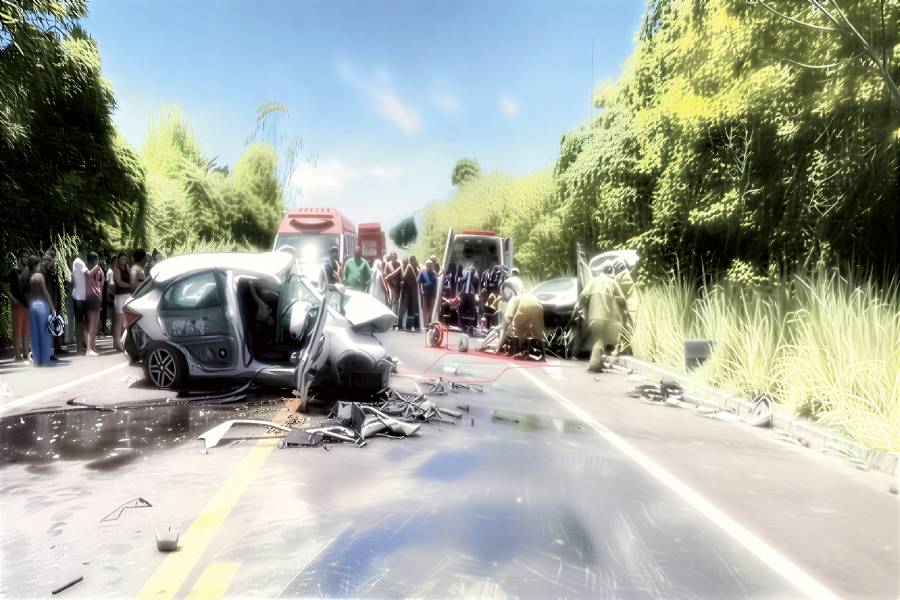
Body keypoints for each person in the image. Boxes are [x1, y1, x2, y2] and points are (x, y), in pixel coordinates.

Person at [579, 262, 628, 372]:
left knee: (599, 339)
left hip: (593, 317)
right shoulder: (613, 283)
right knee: (603, 340)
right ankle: (594, 363)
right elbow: (623, 301)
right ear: (611, 272)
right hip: (608, 318)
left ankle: (598, 363)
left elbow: (582, 297)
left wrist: (583, 308)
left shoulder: (592, 281)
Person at [495, 282, 545, 359]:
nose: (501, 297)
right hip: (538, 304)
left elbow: (508, 319)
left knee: (516, 328)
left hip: (526, 305)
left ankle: (519, 352)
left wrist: (497, 348)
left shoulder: (513, 300)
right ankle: (543, 356)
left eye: (501, 295)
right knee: (537, 332)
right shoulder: (521, 296)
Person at [26, 255, 56, 366]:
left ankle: (37, 359)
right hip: (41, 305)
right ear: (36, 265)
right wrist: (52, 307)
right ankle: (44, 359)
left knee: (34, 333)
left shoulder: (28, 277)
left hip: (32, 306)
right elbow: (45, 292)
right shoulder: (39, 276)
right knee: (44, 333)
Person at [3, 249, 31, 361]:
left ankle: (26, 354)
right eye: (25, 257)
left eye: (28, 257)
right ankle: (17, 356)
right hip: (17, 304)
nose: (27, 259)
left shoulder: (27, 271)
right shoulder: (13, 271)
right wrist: (12, 298)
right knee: (17, 331)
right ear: (20, 258)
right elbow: (3, 283)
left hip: (27, 304)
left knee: (25, 331)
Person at [41, 251, 66, 356]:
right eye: (45, 260)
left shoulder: (53, 273)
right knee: (47, 327)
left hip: (55, 302)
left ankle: (57, 347)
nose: (47, 262)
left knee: (57, 324)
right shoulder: (41, 273)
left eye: (49, 260)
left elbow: (57, 289)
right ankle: (47, 351)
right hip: (46, 304)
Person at [83, 252, 104, 355]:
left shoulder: (86, 269)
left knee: (92, 324)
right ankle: (89, 349)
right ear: (96, 259)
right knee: (94, 324)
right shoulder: (98, 269)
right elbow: (102, 283)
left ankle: (92, 347)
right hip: (96, 296)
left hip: (89, 296)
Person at [71, 243, 90, 355]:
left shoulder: (80, 262)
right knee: (79, 323)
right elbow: (89, 274)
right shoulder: (79, 262)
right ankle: (79, 348)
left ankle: (83, 346)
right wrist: (97, 266)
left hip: (82, 296)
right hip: (78, 296)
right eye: (84, 251)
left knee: (82, 323)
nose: (85, 253)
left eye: (86, 250)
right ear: (80, 251)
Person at [112, 252, 131, 352]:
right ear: (118, 260)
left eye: (125, 259)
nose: (124, 261)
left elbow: (132, 278)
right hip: (120, 296)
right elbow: (119, 282)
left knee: (126, 321)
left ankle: (124, 342)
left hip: (128, 295)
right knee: (118, 322)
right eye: (122, 259)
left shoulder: (127, 268)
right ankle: (117, 343)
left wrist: (128, 269)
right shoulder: (116, 269)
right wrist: (131, 285)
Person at [398, 257, 421, 330]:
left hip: (409, 292)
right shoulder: (410, 267)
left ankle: (405, 325)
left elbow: (404, 277)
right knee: (406, 309)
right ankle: (405, 325)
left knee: (406, 309)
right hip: (408, 291)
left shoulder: (410, 267)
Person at [418, 260, 439, 324]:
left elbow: (436, 283)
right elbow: (418, 281)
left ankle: (429, 321)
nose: (429, 266)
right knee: (425, 308)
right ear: (426, 265)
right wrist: (421, 288)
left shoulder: (434, 273)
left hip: (432, 293)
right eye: (428, 265)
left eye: (430, 265)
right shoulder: (422, 272)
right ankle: (425, 323)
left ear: (432, 266)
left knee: (431, 308)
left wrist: (436, 293)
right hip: (425, 293)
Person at [383, 251, 402, 317]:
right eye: (392, 255)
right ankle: (390, 316)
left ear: (396, 256)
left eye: (394, 255)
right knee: (391, 302)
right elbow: (385, 275)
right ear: (390, 256)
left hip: (398, 287)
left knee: (397, 303)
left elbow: (401, 275)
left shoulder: (399, 264)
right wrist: (389, 283)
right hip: (390, 286)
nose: (393, 256)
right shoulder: (387, 264)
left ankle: (396, 317)